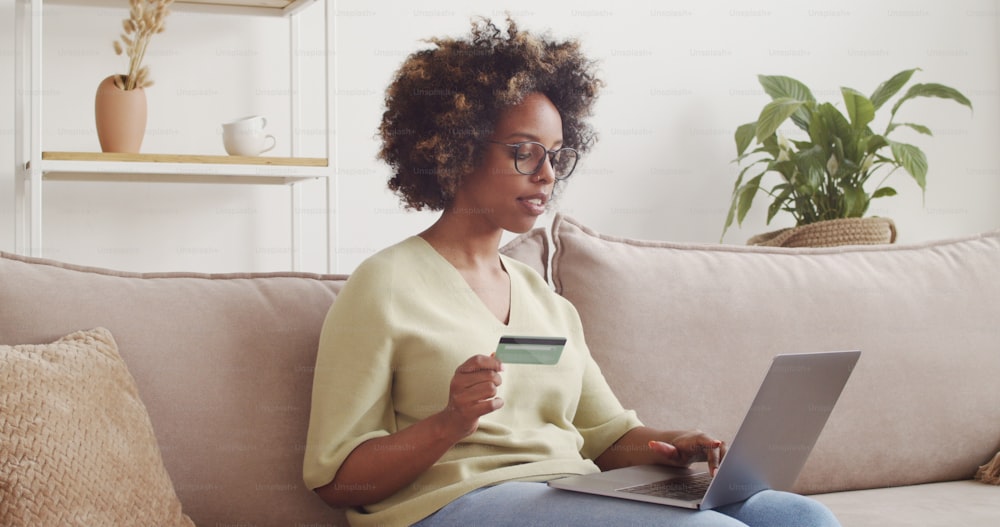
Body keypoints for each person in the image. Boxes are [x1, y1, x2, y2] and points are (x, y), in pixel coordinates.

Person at [303, 16, 841, 527]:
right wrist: (450, 422)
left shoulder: (544, 298)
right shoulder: (384, 284)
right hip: (455, 504)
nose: (546, 175)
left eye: (557, 156)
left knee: (800, 518)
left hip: (566, 492)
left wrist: (675, 444)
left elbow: (607, 436)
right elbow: (336, 480)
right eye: (524, 152)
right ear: (458, 148)